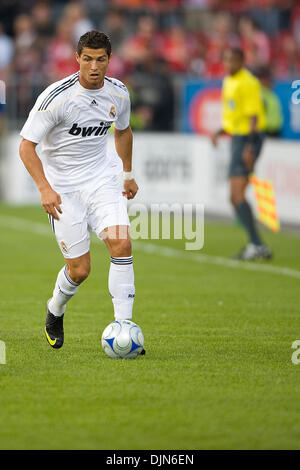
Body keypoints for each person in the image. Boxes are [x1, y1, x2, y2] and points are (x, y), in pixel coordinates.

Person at [19, 30, 144, 353]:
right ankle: (55, 309)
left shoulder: (118, 94)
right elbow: (26, 147)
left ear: (109, 60)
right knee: (80, 270)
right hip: (63, 189)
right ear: (77, 58)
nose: (93, 66)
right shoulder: (56, 98)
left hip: (103, 180)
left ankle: (124, 327)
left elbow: (123, 131)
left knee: (121, 240)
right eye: (87, 59)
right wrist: (45, 189)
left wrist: (127, 174)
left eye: (100, 59)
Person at [211, 48, 272, 261]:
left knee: (236, 195)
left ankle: (257, 245)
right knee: (235, 196)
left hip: (248, 139)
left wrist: (249, 147)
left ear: (242, 61)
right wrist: (221, 130)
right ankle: (257, 244)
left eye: (233, 60)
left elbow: (253, 116)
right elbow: (235, 114)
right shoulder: (229, 80)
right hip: (238, 137)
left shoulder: (249, 82)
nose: (229, 64)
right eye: (226, 60)